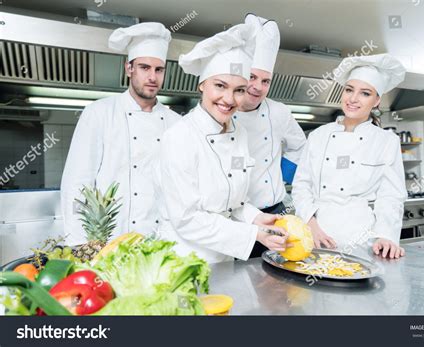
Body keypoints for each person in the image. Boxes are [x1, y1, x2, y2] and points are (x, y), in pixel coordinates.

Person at [157, 23, 289, 263]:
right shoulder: (179, 137)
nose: (229, 99)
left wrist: (256, 218)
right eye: (220, 86)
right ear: (202, 85)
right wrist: (253, 233)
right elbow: (187, 219)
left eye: (239, 90)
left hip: (226, 258)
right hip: (186, 260)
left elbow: (233, 201)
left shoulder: (239, 133)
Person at [61, 23, 181, 245]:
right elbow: (77, 183)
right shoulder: (99, 113)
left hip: (158, 242)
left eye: (159, 69)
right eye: (144, 67)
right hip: (106, 243)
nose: (152, 77)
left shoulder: (176, 124)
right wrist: (80, 246)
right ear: (129, 69)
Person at [292, 54, 407, 259]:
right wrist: (311, 225)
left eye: (365, 93)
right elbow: (302, 185)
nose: (353, 99)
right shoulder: (318, 136)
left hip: (362, 240)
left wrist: (386, 236)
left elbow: (391, 196)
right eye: (349, 90)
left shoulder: (386, 141)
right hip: (316, 236)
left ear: (377, 100)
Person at [233, 14, 306, 257]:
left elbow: (300, 146)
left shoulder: (279, 112)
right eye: (252, 77)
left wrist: (281, 174)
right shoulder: (224, 111)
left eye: (265, 81)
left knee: (278, 279)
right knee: (241, 278)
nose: (257, 87)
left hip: (277, 212)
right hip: (238, 216)